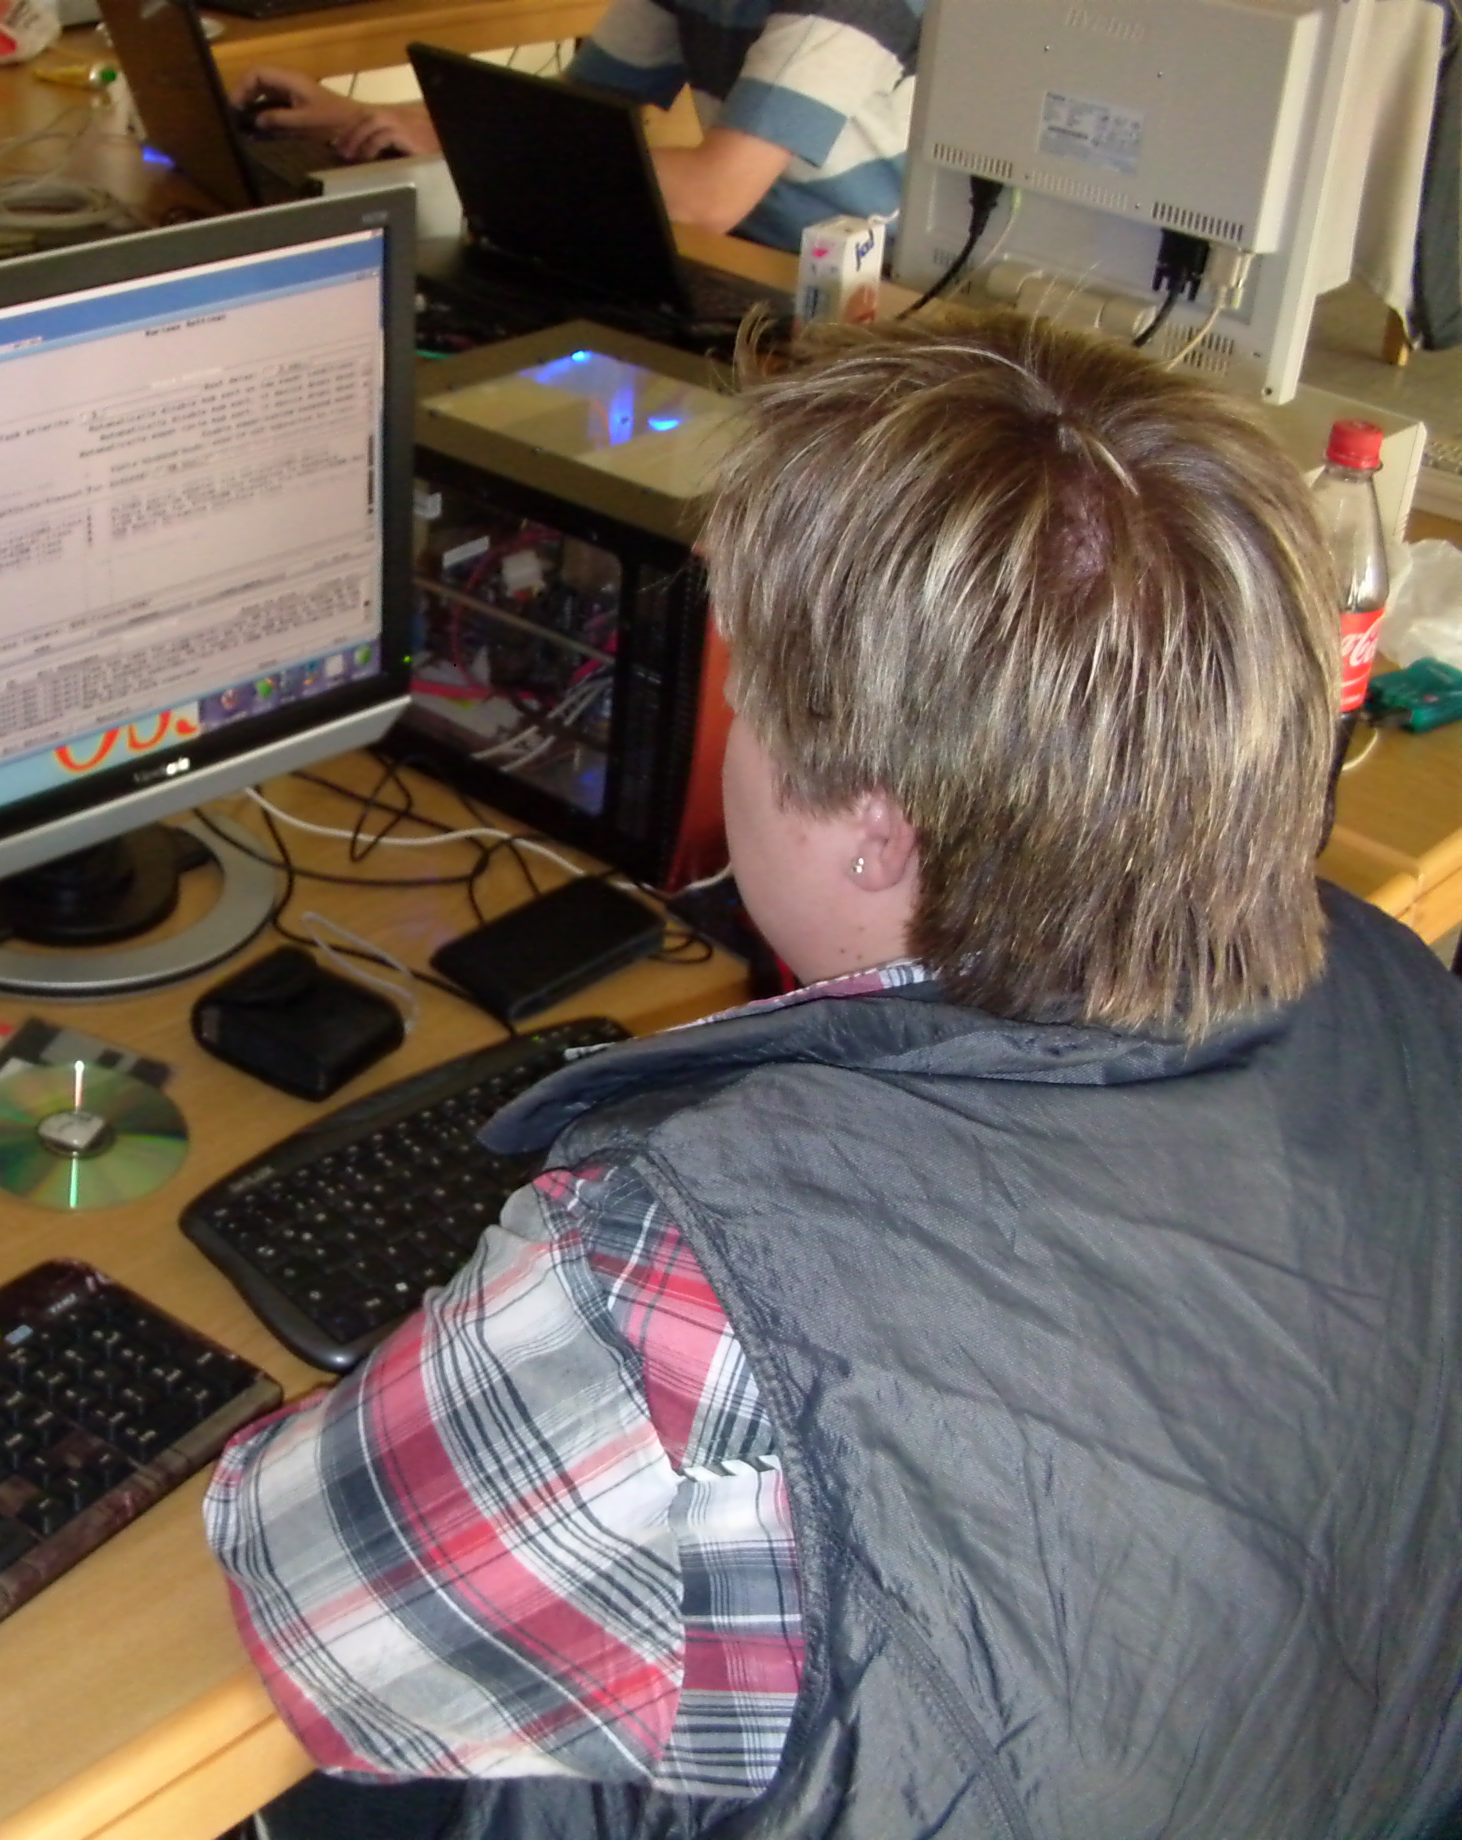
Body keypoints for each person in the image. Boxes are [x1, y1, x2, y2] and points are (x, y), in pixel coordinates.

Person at [204, 312, 1462, 1840]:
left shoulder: (692, 1288)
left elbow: (306, 1592)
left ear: (875, 830)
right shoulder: (1398, 991)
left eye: (749, 698)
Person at [239, 0, 921, 250]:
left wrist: (471, 144)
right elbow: (573, 118)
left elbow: (711, 193)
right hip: (746, 258)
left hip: (859, 291)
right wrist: (357, 116)